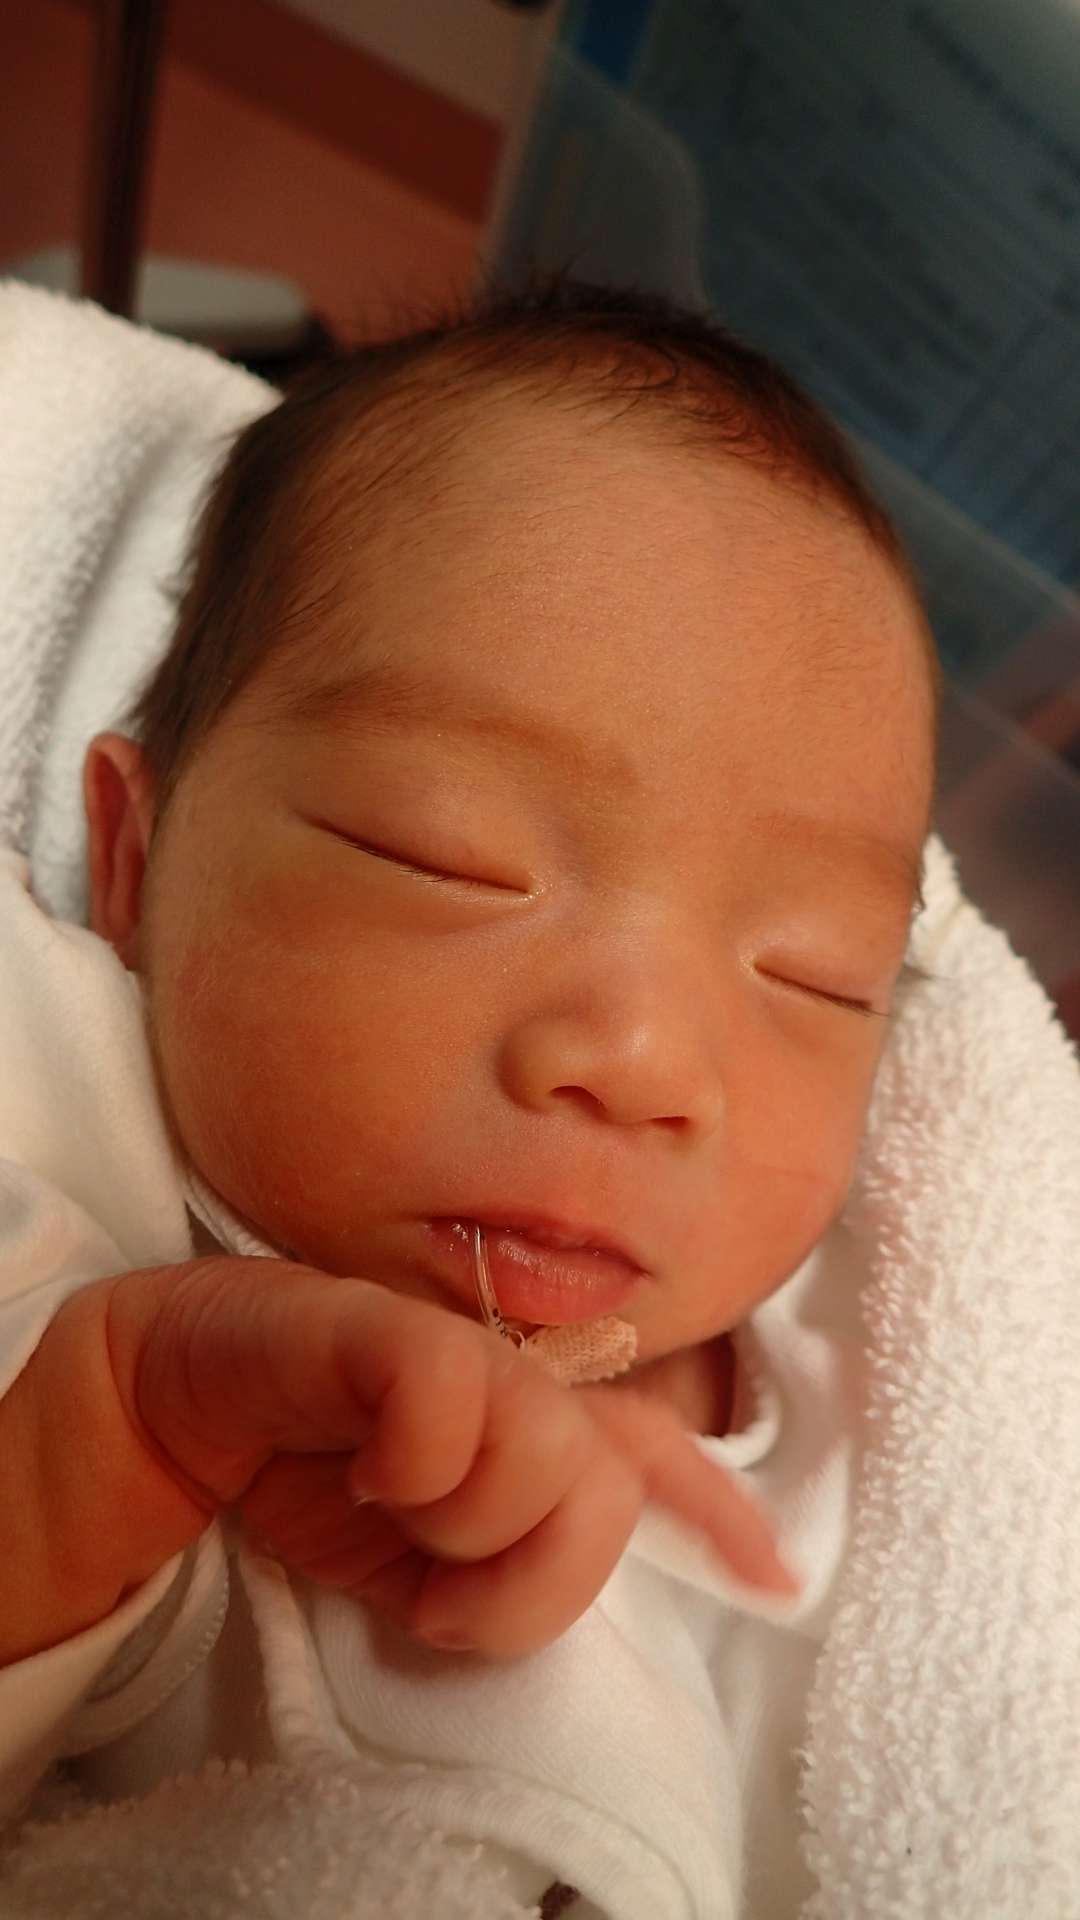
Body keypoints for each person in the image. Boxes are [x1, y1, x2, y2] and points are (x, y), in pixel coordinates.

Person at [0, 282, 938, 1915]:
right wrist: (113, 1429)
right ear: (136, 860)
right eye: (450, 858)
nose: (642, 1061)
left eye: (818, 977)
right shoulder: (51, 1121)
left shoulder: (871, 1408)